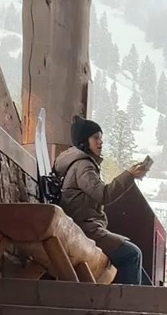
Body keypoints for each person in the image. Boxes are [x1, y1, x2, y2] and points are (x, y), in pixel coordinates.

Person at [56, 118, 153, 286]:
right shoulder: (83, 166)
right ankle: (130, 302)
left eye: (101, 138)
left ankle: (145, 298)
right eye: (95, 137)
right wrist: (129, 175)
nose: (100, 142)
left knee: (133, 258)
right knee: (132, 254)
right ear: (84, 141)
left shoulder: (80, 163)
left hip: (84, 228)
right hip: (84, 230)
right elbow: (103, 195)